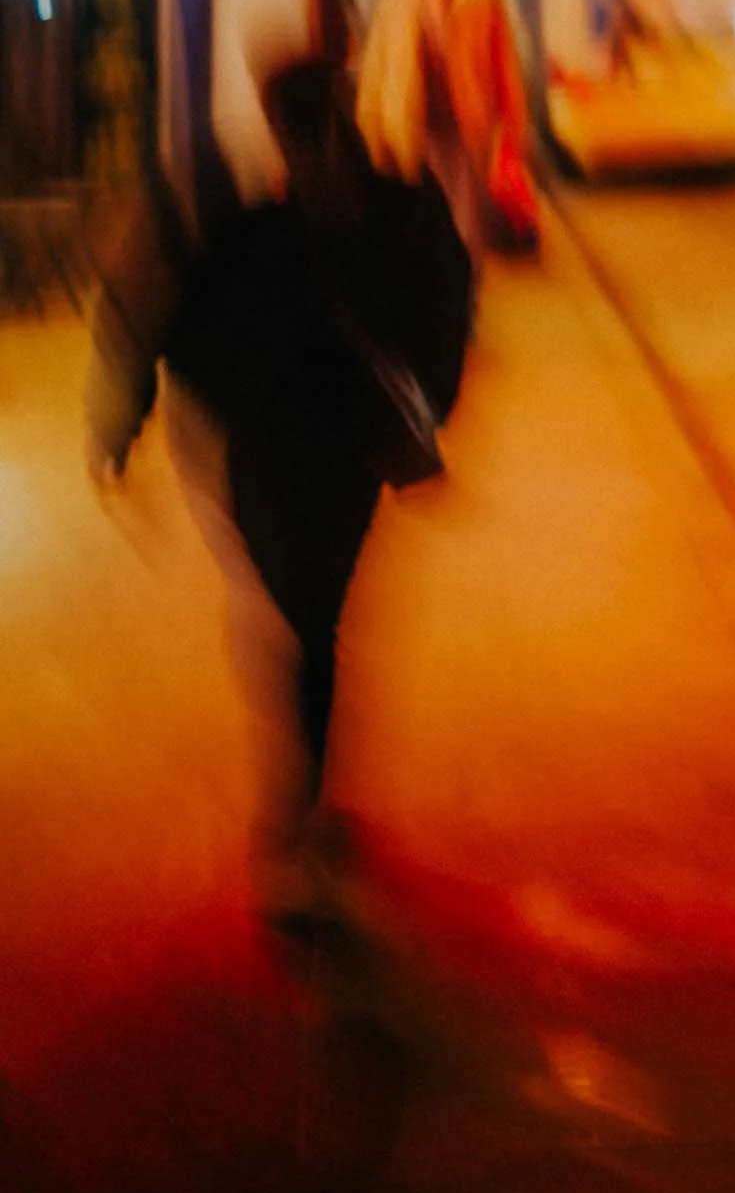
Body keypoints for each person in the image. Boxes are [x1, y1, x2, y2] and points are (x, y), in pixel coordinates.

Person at [89, 58, 473, 909]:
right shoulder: (386, 209)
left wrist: (117, 427)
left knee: (297, 624)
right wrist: (426, 414)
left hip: (263, 459)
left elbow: (149, 318)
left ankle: (296, 805)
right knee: (314, 624)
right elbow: (447, 308)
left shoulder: (237, 222)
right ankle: (304, 802)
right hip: (341, 461)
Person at [357, 0, 538, 251]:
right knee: (423, 225)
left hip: (467, 126)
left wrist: (514, 131)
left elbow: (505, 64)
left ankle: (465, 284)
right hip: (413, 128)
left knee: (467, 228)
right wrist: (372, 134)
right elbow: (376, 70)